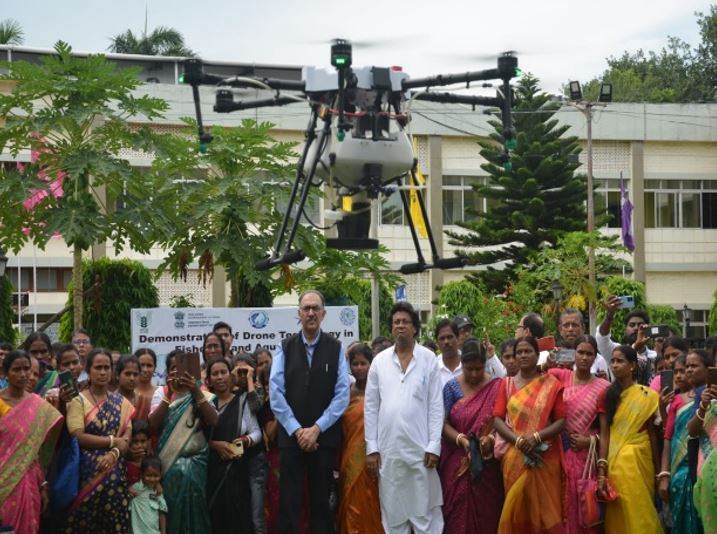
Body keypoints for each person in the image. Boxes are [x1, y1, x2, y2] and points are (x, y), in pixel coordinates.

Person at [269, 290, 349, 534]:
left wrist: (316, 430)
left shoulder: (336, 349)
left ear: (324, 314)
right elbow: (275, 393)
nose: (311, 313)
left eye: (316, 308)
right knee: (289, 503)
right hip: (291, 441)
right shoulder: (285, 348)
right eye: (306, 309)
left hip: (322, 440)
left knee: (321, 504)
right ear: (299, 314)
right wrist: (297, 431)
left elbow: (342, 395)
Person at [365, 301, 444, 534]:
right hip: (389, 452)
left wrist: (433, 446)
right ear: (391, 327)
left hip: (421, 450)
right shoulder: (379, 362)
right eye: (396, 322)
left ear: (415, 328)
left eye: (405, 322)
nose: (400, 326)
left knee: (425, 513)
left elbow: (436, 405)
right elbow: (370, 407)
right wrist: (372, 448)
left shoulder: (429, 358)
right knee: (393, 513)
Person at [492, 336, 566, 533]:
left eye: (528, 351)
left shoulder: (551, 383)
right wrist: (517, 440)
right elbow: (497, 419)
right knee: (517, 511)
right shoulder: (506, 384)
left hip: (544, 457)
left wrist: (537, 438)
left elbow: (561, 421)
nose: (523, 355)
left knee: (547, 513)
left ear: (536, 354)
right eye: (519, 352)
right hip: (515, 456)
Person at [63, 348, 134, 533]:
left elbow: (126, 438)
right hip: (86, 475)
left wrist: (114, 453)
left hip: (116, 477)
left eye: (107, 367)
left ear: (112, 370)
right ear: (88, 370)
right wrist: (112, 441)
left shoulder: (121, 402)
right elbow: (78, 436)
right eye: (98, 367)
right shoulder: (78, 401)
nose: (103, 372)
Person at [149, 350, 218, 534]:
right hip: (169, 464)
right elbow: (153, 424)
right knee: (172, 509)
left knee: (198, 510)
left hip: (197, 464)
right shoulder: (161, 393)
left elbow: (213, 420)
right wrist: (169, 393)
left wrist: (196, 390)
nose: (179, 373)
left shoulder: (204, 395)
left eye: (184, 369)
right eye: (174, 369)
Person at [439, 338, 503, 533]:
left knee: (488, 516)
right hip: (457, 462)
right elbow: (441, 422)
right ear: (462, 365)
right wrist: (462, 440)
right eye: (469, 369)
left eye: (479, 368)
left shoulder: (497, 386)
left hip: (487, 465)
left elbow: (503, 420)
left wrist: (490, 439)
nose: (474, 374)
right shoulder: (452, 387)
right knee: (456, 515)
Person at [548, 335, 610, 534]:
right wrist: (546, 362)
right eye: (580, 352)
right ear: (573, 354)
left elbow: (608, 430)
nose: (584, 357)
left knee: (587, 509)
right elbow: (536, 377)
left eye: (589, 354)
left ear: (595, 357)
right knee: (561, 506)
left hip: (587, 459)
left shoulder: (603, 387)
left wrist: (590, 441)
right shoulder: (559, 376)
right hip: (560, 453)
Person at [0, 350, 63, 534]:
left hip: (28, 481)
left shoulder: (39, 406)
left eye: (26, 369)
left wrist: (42, 482)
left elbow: (47, 446)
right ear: (5, 372)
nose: (23, 375)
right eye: (16, 369)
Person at [602, 345, 662, 533]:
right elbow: (605, 432)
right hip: (614, 463)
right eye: (613, 361)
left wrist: (659, 471)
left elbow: (652, 433)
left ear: (632, 366)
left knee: (642, 507)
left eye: (620, 361)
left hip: (641, 459)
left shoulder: (647, 395)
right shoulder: (607, 395)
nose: (615, 365)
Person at [206, 357, 261, 534]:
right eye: (215, 374)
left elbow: (256, 433)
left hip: (238, 471)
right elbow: (197, 438)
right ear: (209, 380)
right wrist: (215, 445)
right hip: (211, 472)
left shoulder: (242, 401)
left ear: (231, 376)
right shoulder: (205, 404)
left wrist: (245, 441)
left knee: (239, 519)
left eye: (223, 372)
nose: (220, 377)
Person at [337, 343, 382, 534]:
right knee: (352, 504)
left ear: (371, 364)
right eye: (355, 364)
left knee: (374, 504)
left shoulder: (381, 392)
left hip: (376, 459)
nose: (359, 368)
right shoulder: (344, 393)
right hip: (350, 459)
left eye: (364, 363)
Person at [658, 355, 700, 533]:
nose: (680, 375)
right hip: (678, 467)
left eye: (685, 370)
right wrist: (664, 474)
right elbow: (668, 436)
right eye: (676, 372)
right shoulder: (676, 400)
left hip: (700, 466)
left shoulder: (708, 397)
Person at [234, 352, 268, 534]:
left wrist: (249, 380)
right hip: (235, 460)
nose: (241, 374)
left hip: (255, 459)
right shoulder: (227, 394)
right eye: (237, 370)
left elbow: (256, 407)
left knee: (257, 514)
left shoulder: (258, 389)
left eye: (244, 370)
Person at [686, 349, 717, 531]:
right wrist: (704, 405)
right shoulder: (703, 392)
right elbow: (692, 430)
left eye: (694, 366)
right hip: (709, 469)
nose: (689, 370)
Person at [597, 298, 656, 384]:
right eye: (632, 325)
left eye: (641, 325)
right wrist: (609, 316)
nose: (636, 328)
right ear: (625, 329)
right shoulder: (616, 351)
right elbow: (602, 338)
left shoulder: (654, 356)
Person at [557, 308, 609, 378]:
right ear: (560, 330)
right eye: (566, 325)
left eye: (574, 325)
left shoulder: (598, 360)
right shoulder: (553, 358)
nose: (570, 329)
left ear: (583, 328)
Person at [130, 456, 168, 534]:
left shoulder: (158, 492)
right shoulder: (136, 488)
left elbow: (162, 513)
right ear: (142, 474)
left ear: (160, 475)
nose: (152, 479)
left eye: (156, 476)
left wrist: (163, 532)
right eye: (148, 475)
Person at [22, 331, 57, 396]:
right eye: (34, 352)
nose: (39, 356)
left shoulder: (56, 378)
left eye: (43, 351)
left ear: (50, 353)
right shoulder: (19, 378)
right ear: (26, 353)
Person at [116, 354, 149, 419]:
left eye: (135, 374)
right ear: (117, 375)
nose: (132, 378)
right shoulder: (109, 401)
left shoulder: (143, 401)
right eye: (127, 374)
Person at [435, 319, 462, 387]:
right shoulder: (433, 368)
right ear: (437, 343)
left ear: (458, 338)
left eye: (450, 337)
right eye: (442, 338)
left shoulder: (469, 363)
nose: (446, 342)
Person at [135, 348, 158, 420]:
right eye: (142, 365)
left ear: (155, 368)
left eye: (149, 365)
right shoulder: (128, 393)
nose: (145, 370)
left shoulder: (160, 393)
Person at [127, 419, 152, 486]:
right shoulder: (124, 463)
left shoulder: (151, 462)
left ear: (149, 442)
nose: (139, 445)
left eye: (143, 441)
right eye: (135, 441)